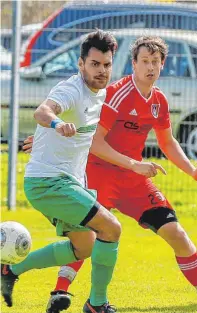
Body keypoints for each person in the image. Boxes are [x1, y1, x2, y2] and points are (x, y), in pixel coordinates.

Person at [23, 36, 197, 313]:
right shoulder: (115, 92)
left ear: (163, 65)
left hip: (133, 181)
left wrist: (192, 172)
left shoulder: (159, 100)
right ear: (133, 64)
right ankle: (61, 291)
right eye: (144, 61)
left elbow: (167, 142)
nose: (150, 67)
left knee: (176, 233)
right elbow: (91, 135)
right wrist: (47, 134)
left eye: (155, 62)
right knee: (90, 237)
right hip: (99, 174)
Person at [1, 30, 122, 313]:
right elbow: (43, 111)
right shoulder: (71, 90)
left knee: (86, 246)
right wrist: (56, 125)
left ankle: (10, 271)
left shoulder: (101, 91)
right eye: (94, 64)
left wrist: (44, 139)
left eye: (106, 64)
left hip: (67, 182)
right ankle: (97, 304)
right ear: (81, 64)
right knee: (111, 228)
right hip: (49, 183)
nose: (101, 71)